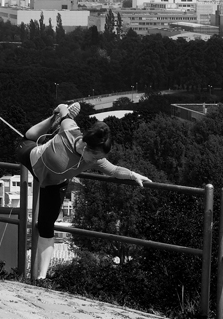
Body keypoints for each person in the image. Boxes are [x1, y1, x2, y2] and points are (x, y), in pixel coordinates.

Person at [17, 102, 151, 281]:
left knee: (45, 227)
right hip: (34, 161)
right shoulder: (70, 130)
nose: (98, 161)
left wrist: (133, 175)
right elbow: (65, 111)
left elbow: (114, 170)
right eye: (96, 156)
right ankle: (51, 121)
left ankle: (41, 278)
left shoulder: (94, 159)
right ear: (86, 146)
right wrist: (60, 110)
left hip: (54, 184)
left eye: (101, 158)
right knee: (25, 138)